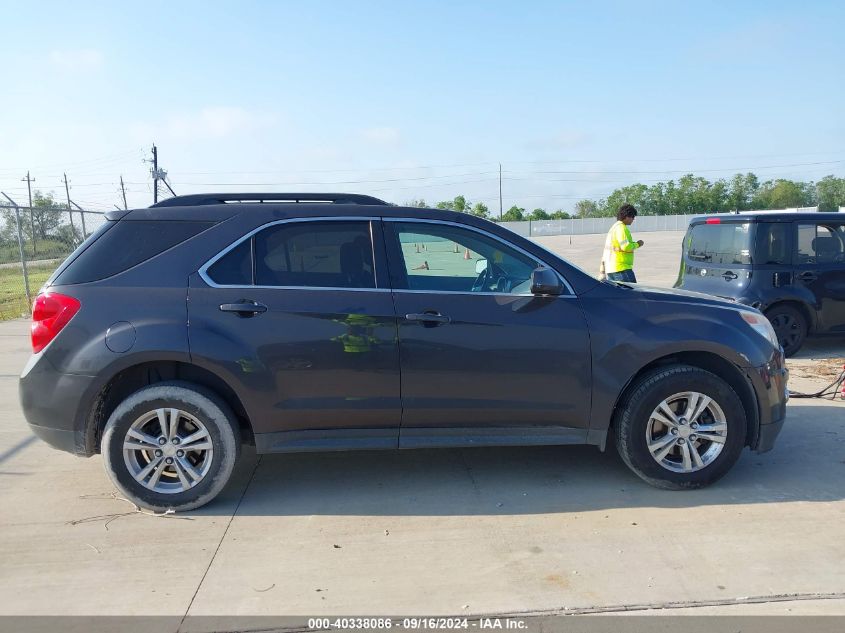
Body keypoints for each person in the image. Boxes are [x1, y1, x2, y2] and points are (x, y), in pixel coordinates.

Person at [599, 203, 644, 282]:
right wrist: (638, 244)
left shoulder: (614, 227)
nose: (633, 219)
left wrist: (602, 270)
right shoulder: (621, 228)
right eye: (633, 217)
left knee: (619, 294)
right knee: (633, 294)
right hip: (621, 269)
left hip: (612, 269)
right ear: (627, 216)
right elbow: (626, 246)